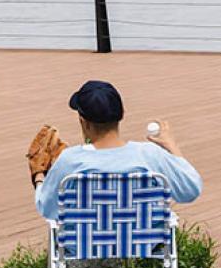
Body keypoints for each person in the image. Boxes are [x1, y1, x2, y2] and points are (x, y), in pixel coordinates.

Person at [30, 80, 202, 220]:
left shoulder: (70, 160)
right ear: (122, 114)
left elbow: (47, 209)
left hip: (84, 247)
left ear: (83, 121)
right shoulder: (149, 155)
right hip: (144, 246)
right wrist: (172, 146)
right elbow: (190, 191)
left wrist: (39, 176)